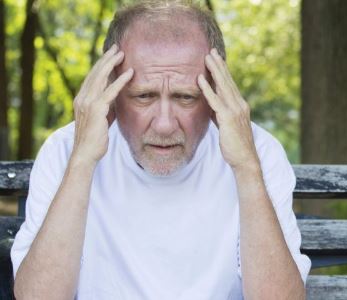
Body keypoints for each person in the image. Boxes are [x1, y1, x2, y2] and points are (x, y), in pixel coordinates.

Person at [11, 1, 311, 299]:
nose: (165, 125)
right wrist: (82, 162)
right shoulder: (65, 151)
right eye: (143, 96)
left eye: (185, 97)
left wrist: (246, 167)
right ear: (110, 91)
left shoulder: (258, 152)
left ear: (217, 91)